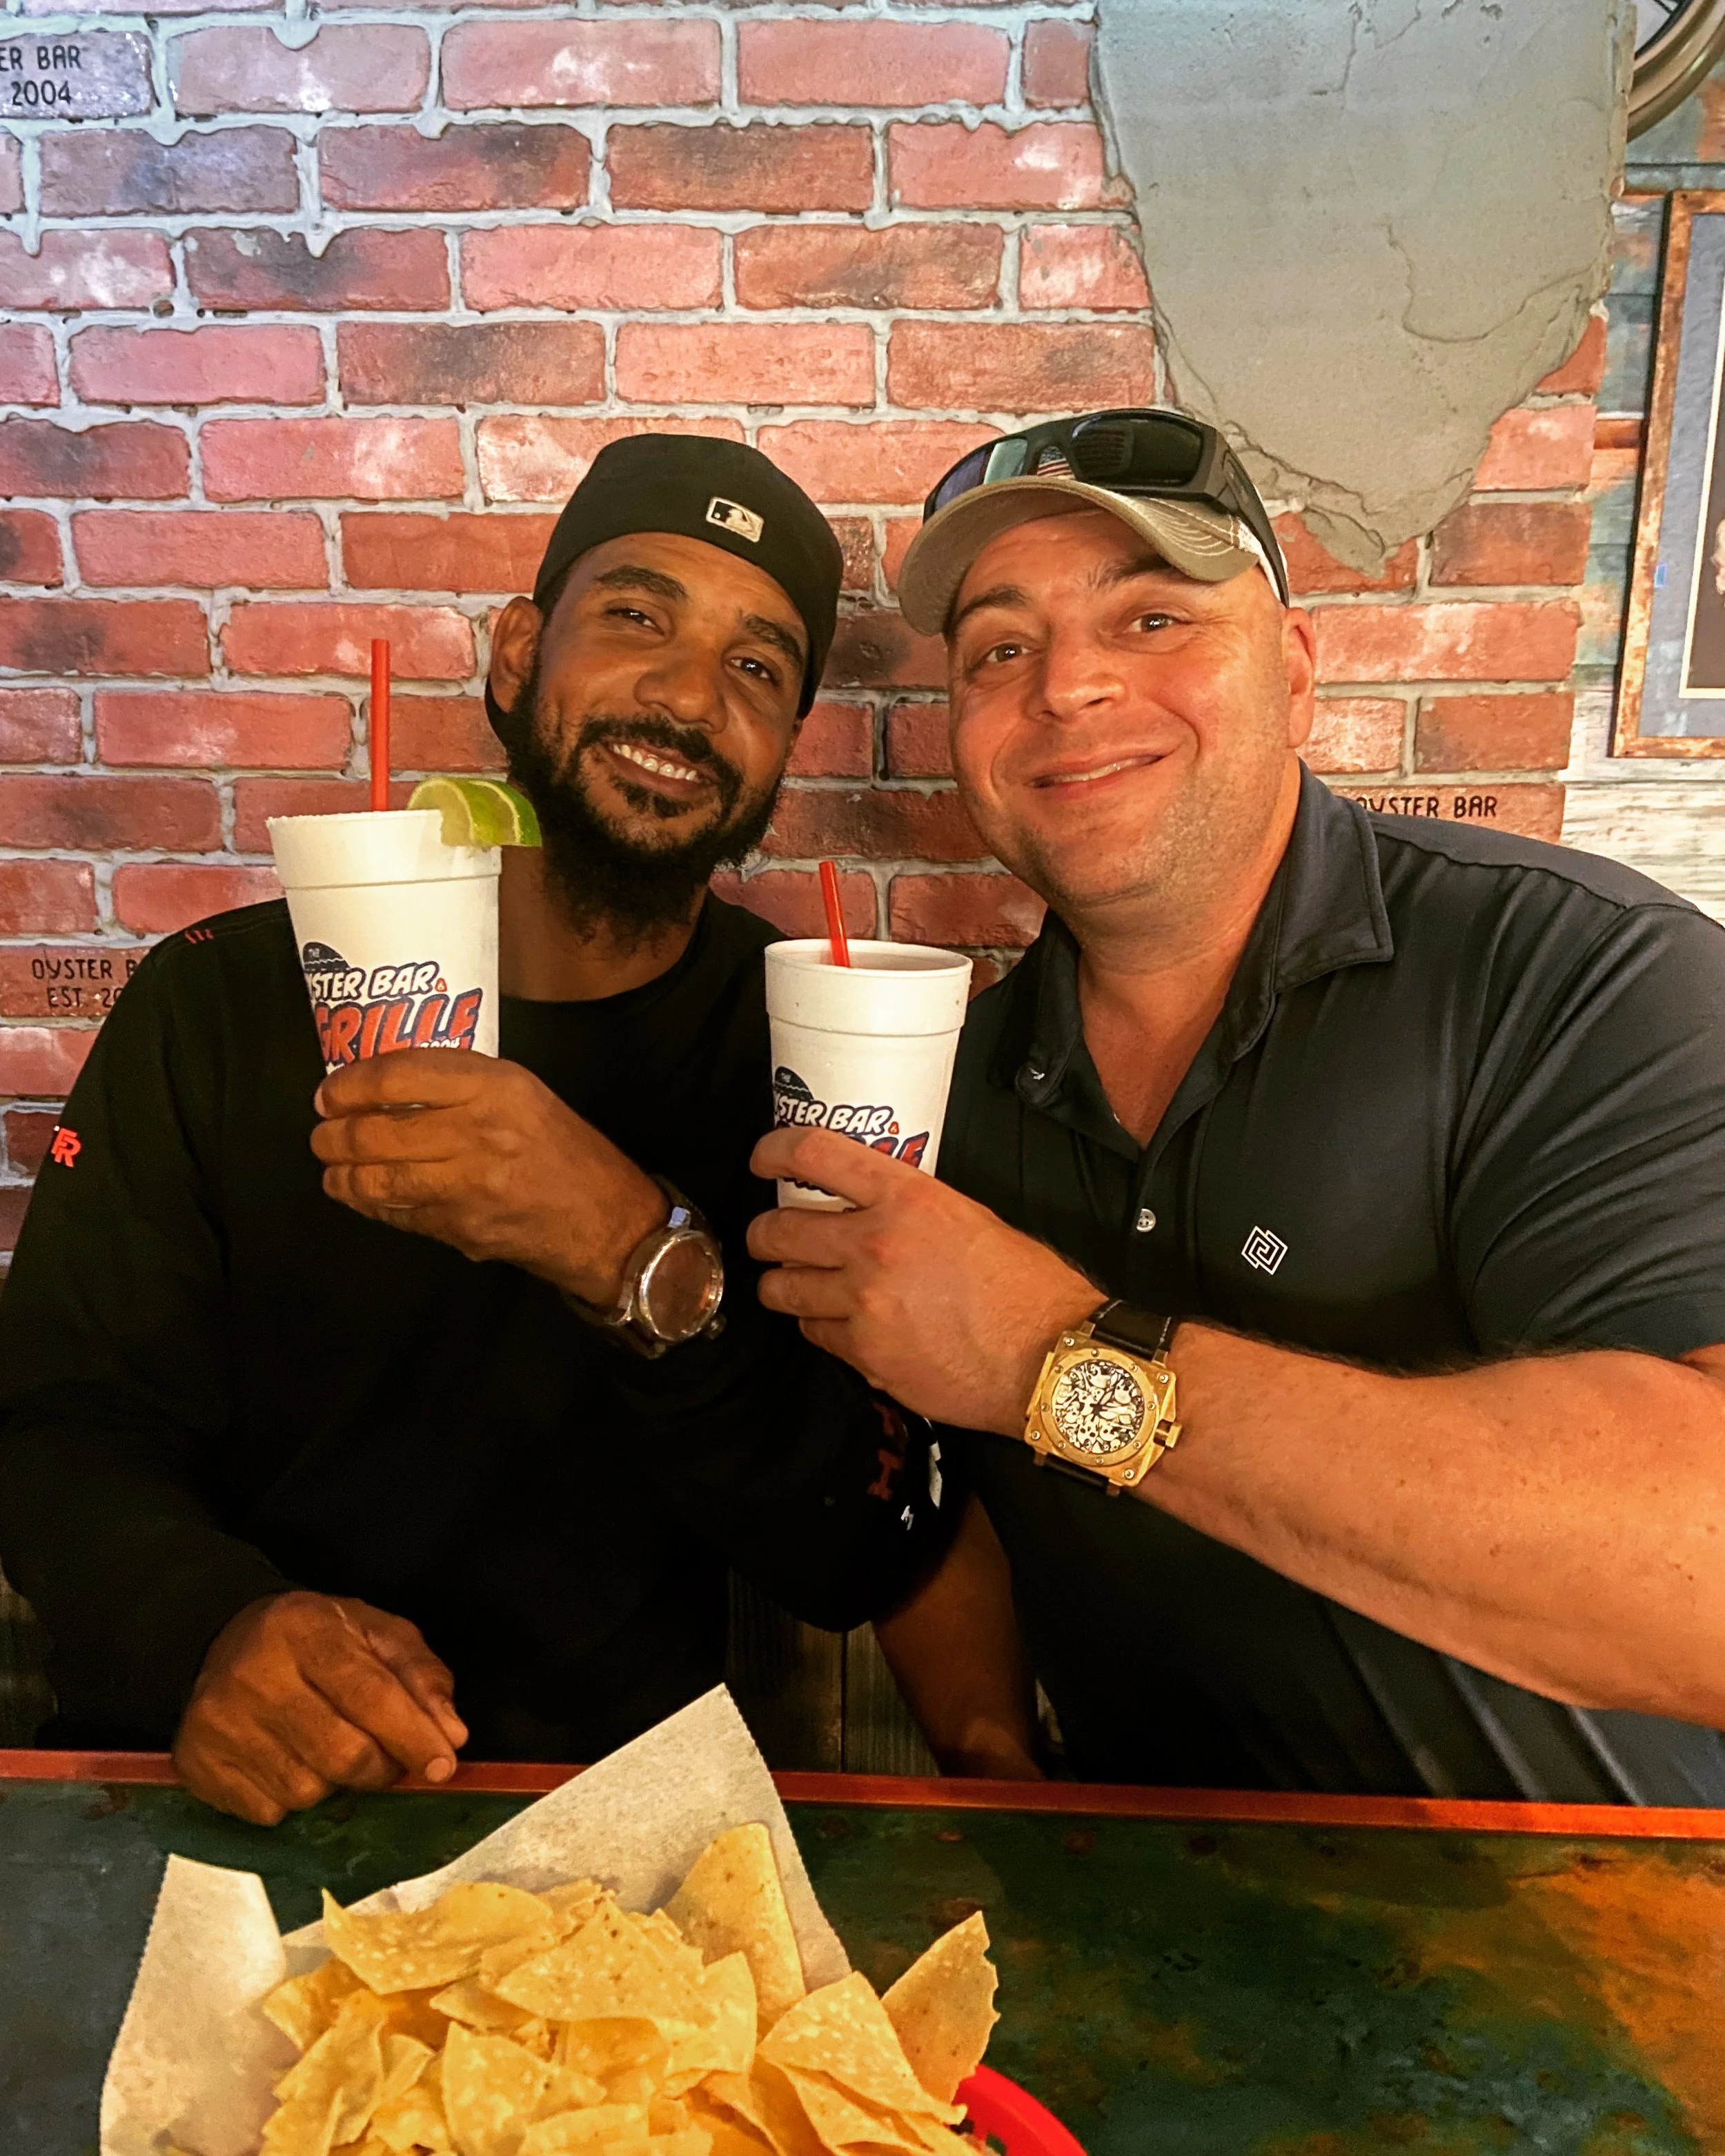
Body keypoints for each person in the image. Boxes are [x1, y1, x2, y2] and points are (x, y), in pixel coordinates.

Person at [749, 406, 1725, 1804]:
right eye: (999, 649)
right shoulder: (941, 1091)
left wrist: (1050, 1353)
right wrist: (985, 1751)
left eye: (1149, 618)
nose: (1067, 687)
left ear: (1294, 669)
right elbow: (935, 1491)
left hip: (1585, 1948)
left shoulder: (1575, 974)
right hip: (1161, 1927)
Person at [0, 435, 961, 1826]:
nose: (689, 695)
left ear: (783, 746)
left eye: (758, 665)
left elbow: (859, 1542)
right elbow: (55, 1421)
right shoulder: (215, 1001)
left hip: (615, 1807)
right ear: (516, 656)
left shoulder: (808, 1049)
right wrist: (204, 1627)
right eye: (637, 615)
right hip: (220, 1783)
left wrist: (632, 1246)